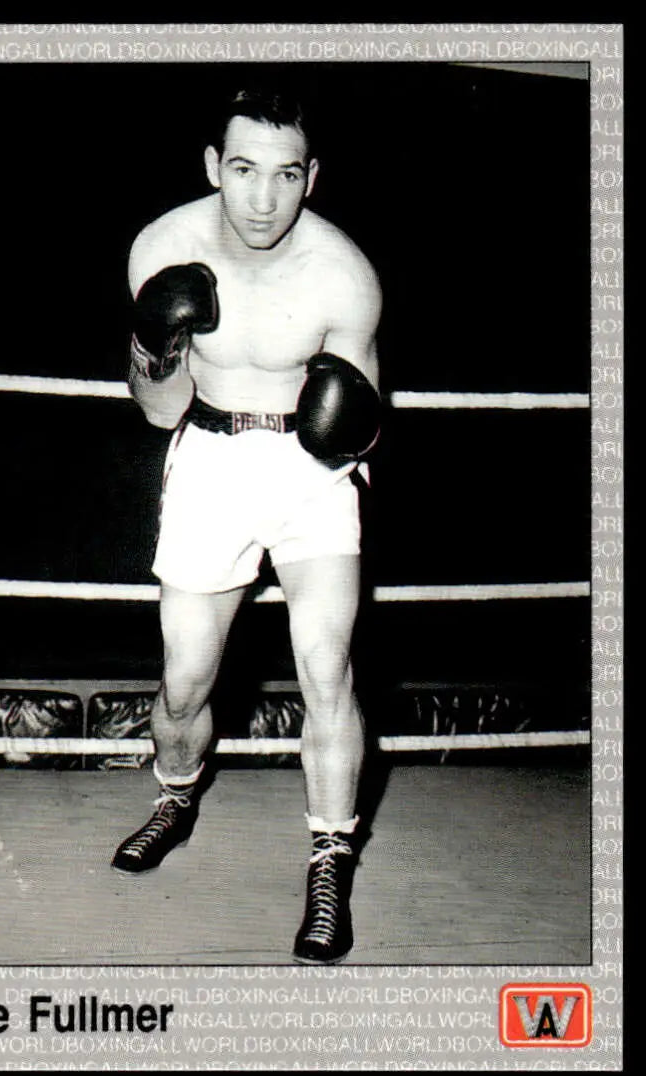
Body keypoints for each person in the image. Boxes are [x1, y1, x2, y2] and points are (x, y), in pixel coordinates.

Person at [111, 88, 382, 965]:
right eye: (243, 171)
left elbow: (361, 424)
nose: (264, 200)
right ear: (211, 168)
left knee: (325, 662)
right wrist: (156, 342)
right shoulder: (162, 248)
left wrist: (348, 429)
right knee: (185, 679)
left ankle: (330, 856)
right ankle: (177, 794)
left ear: (312, 176)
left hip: (312, 471)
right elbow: (160, 411)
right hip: (212, 453)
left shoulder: (343, 275)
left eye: (286, 175)